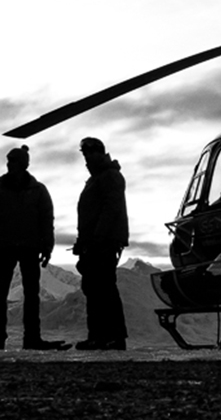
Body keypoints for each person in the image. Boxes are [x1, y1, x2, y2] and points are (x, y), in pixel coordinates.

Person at [0, 145, 69, 351]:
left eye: (14, 161)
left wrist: (47, 246)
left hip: (29, 248)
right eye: (9, 161)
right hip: (5, 247)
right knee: (0, 295)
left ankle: (31, 338)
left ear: (24, 164)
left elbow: (47, 221)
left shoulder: (37, 191)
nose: (10, 165)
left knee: (31, 295)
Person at [73, 137, 129, 351]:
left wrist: (98, 238)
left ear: (99, 153)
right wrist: (83, 241)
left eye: (89, 154)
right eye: (84, 155)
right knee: (94, 288)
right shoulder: (97, 178)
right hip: (94, 242)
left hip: (104, 243)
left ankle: (113, 336)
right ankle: (98, 336)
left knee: (104, 288)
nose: (86, 159)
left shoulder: (109, 176)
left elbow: (110, 209)